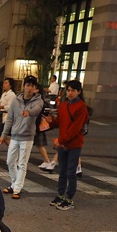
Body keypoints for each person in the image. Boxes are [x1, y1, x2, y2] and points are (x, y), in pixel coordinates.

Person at [0, 75, 43, 199]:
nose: (29, 88)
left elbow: (37, 110)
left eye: (32, 86)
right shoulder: (16, 101)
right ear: (24, 86)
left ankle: (17, 189)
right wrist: (3, 135)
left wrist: (29, 112)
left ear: (35, 88)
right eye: (27, 85)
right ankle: (14, 183)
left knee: (22, 163)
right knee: (10, 161)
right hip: (15, 136)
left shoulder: (38, 101)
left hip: (27, 137)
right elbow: (10, 119)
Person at [47, 79, 89, 210]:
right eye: (68, 90)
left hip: (74, 144)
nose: (70, 93)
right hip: (63, 143)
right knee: (62, 171)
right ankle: (60, 195)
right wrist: (51, 121)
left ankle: (69, 198)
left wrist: (61, 140)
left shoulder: (82, 107)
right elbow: (59, 121)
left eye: (73, 91)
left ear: (79, 92)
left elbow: (75, 129)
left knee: (71, 172)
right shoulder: (64, 104)